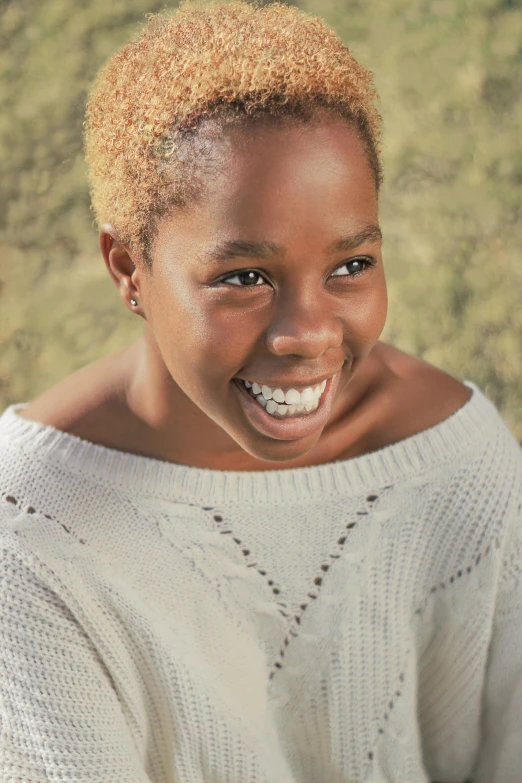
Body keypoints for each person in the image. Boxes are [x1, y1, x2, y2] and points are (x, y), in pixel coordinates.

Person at [0, 1, 520, 781]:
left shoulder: (461, 468)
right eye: (244, 277)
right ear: (126, 269)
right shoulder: (32, 536)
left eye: (350, 266)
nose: (309, 334)